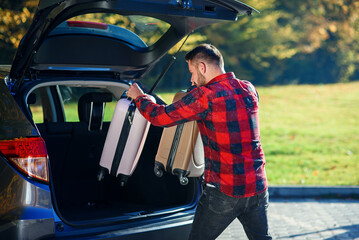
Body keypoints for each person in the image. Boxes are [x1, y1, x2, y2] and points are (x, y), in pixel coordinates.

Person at [127, 44, 272, 240]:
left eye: (192, 72)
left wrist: (139, 97)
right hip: (257, 186)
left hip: (224, 191)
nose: (192, 79)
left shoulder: (205, 96)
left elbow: (160, 117)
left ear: (202, 67)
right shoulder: (248, 88)